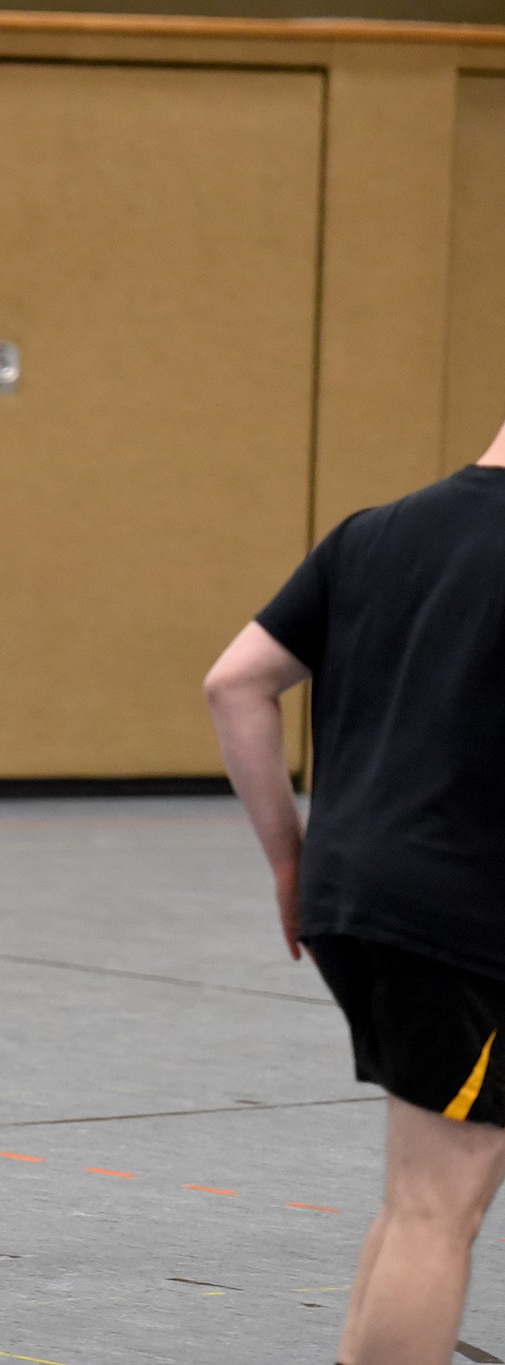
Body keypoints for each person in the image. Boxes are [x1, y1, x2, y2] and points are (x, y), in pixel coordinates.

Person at [205, 424, 505, 1365]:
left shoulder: (373, 533)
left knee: (429, 1184)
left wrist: (292, 859)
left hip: (349, 893)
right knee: (437, 1204)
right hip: (459, 914)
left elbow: (236, 682)